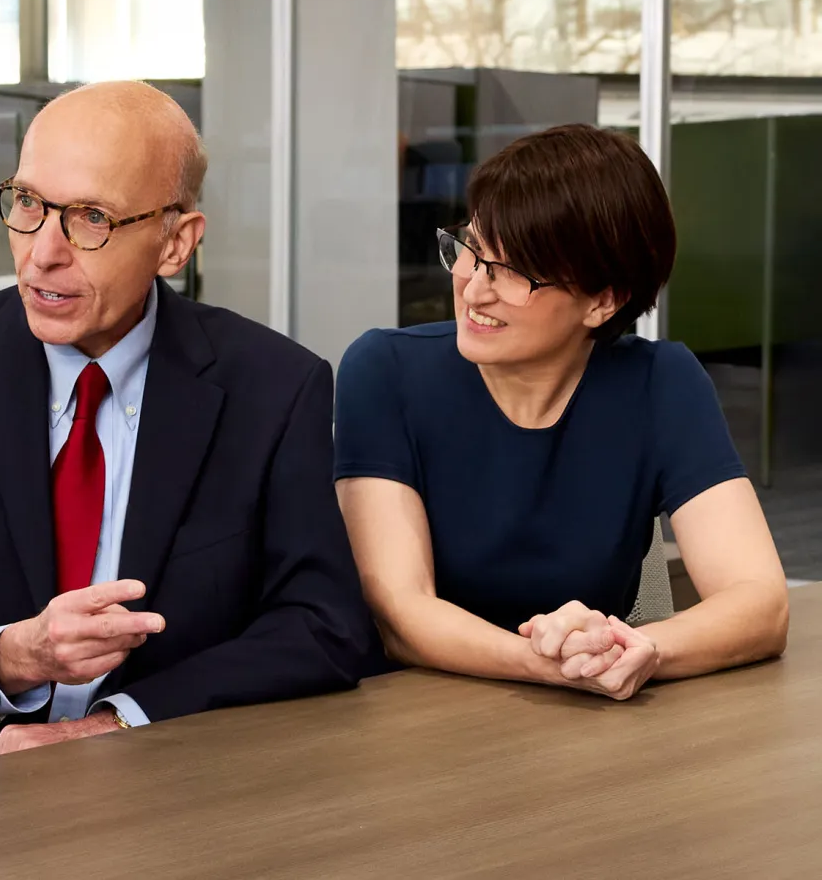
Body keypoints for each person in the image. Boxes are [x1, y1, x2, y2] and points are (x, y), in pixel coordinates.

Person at [0, 81, 380, 777]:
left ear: (175, 243)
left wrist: (120, 722)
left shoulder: (274, 386)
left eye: (91, 217)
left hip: (174, 786)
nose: (43, 253)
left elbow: (322, 628)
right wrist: (18, 654)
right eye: (28, 204)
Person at [334, 124, 788, 699]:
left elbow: (761, 603)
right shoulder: (385, 371)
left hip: (585, 724)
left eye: (513, 272)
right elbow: (400, 613)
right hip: (408, 713)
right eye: (471, 250)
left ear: (602, 301)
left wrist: (640, 649)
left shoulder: (660, 383)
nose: (473, 290)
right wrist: (551, 665)